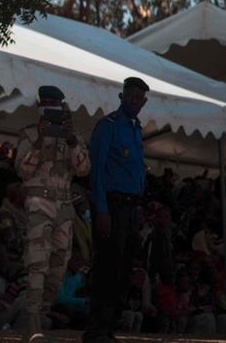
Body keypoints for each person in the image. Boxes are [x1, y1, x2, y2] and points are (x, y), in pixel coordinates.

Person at [15, 85, 90, 341]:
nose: (50, 107)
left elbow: (83, 170)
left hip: (65, 207)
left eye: (55, 104)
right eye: (45, 103)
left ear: (62, 106)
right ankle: (33, 322)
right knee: (38, 262)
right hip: (39, 202)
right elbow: (23, 171)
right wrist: (39, 140)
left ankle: (40, 316)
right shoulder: (28, 134)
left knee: (58, 267)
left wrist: (70, 139)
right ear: (39, 107)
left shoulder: (73, 137)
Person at [82, 77, 149, 343]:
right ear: (121, 97)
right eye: (130, 97)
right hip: (111, 205)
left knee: (123, 269)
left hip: (131, 208)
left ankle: (108, 328)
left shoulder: (136, 129)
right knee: (107, 267)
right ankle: (96, 329)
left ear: (144, 102)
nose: (134, 102)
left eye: (138, 99)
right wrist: (101, 209)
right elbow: (96, 171)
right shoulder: (107, 126)